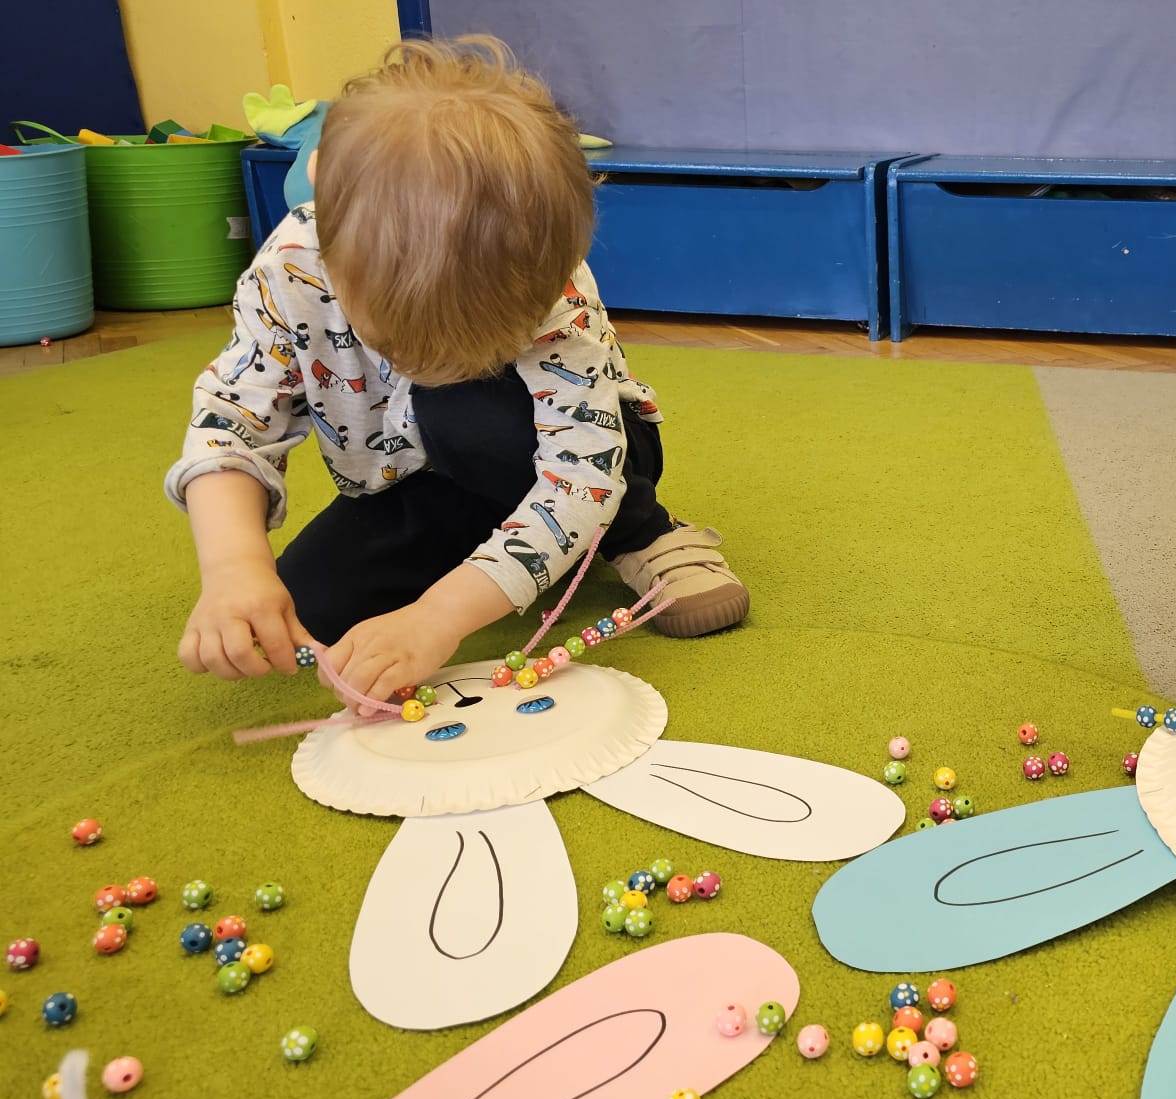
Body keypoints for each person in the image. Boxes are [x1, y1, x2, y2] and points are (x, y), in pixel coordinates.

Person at [167, 36, 748, 704]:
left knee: (459, 409)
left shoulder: (546, 277)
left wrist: (440, 618)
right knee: (308, 604)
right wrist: (234, 567)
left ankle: (641, 534)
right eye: (400, 343)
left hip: (575, 452)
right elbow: (231, 423)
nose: (426, 368)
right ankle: (508, 549)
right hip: (412, 482)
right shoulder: (291, 266)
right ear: (325, 192)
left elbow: (581, 473)